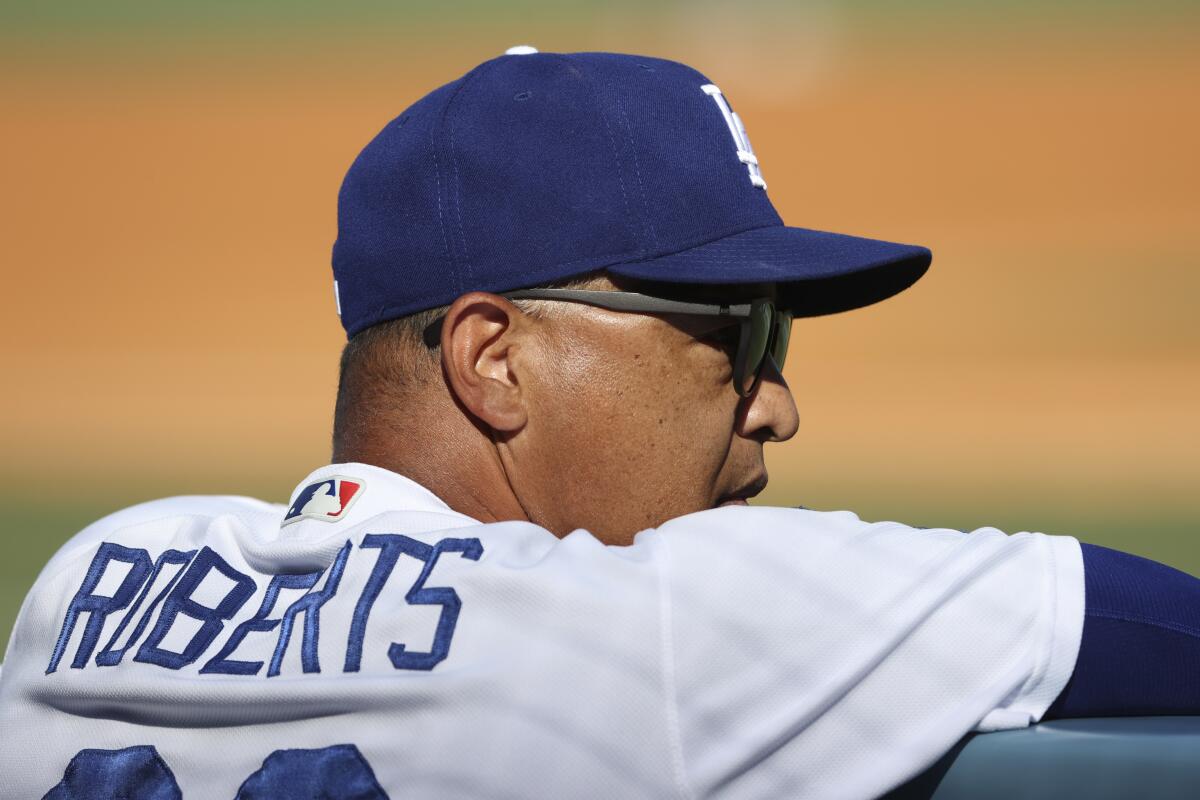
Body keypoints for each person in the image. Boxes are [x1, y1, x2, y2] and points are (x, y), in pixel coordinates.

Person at [1, 47, 1197, 800]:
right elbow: (1134, 621)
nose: (776, 400)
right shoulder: (665, 624)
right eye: (733, 334)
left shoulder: (91, 584)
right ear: (494, 359)